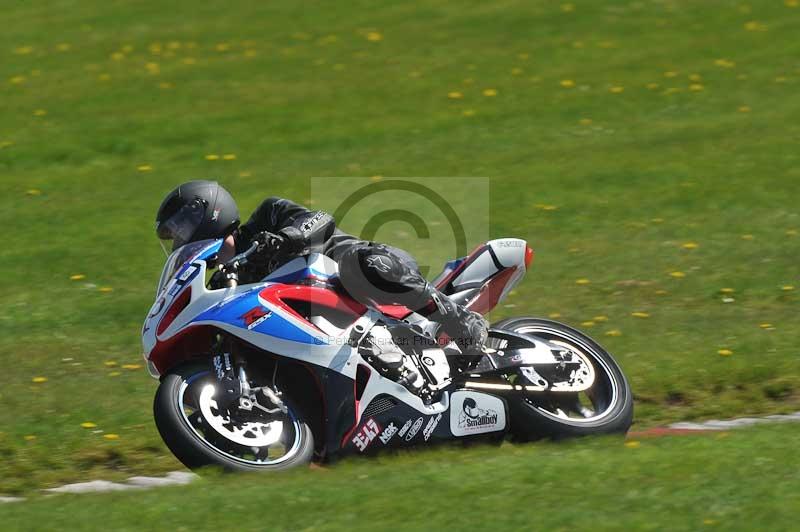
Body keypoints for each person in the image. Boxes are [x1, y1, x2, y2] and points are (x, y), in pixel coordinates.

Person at [155, 180, 488, 360]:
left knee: (362, 264)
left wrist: (285, 238)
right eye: (176, 235)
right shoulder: (226, 282)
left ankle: (458, 318)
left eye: (182, 225)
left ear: (210, 211)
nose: (180, 239)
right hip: (336, 332)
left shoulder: (267, 216)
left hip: (363, 276)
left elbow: (321, 220)